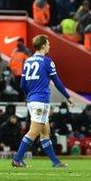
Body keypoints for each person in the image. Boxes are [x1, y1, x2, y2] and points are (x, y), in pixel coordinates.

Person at [12, 35, 74, 168]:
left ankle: (55, 162)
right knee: (34, 131)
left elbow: (22, 84)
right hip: (41, 100)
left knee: (45, 131)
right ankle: (17, 159)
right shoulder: (47, 61)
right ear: (44, 45)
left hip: (31, 100)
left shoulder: (27, 61)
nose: (49, 46)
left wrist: (30, 95)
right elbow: (56, 82)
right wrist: (67, 97)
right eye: (48, 43)